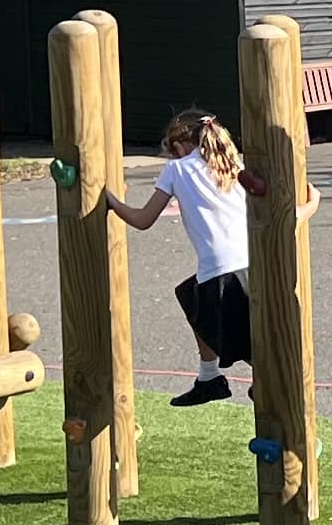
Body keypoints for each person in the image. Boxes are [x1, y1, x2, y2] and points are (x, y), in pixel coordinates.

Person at [97, 107, 252, 407]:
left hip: (220, 270)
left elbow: (144, 219)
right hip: (252, 263)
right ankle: (209, 377)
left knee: (233, 333)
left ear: (180, 146)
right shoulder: (232, 164)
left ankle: (236, 381)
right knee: (190, 295)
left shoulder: (176, 170)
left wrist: (111, 201)